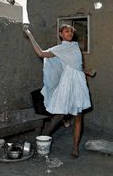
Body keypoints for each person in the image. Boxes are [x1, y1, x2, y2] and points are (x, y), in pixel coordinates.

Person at [23, 24, 92, 158]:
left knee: (78, 116)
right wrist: (29, 34)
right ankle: (43, 137)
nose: (70, 33)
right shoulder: (59, 49)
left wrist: (86, 71)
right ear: (61, 34)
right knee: (59, 114)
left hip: (78, 82)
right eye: (67, 31)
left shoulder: (75, 47)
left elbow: (76, 66)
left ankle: (75, 148)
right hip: (67, 83)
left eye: (71, 32)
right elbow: (41, 53)